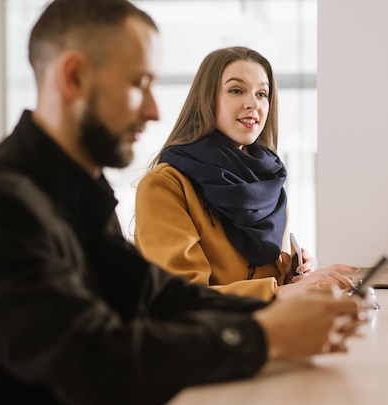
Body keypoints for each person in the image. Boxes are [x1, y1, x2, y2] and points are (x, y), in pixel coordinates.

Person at [0, 2, 367, 405]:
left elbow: (157, 296)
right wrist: (266, 336)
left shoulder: (79, 191)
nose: (153, 110)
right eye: (139, 84)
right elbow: (98, 363)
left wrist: (282, 312)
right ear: (73, 78)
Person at [134, 46, 358, 301]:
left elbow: (261, 286)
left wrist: (294, 278)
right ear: (207, 99)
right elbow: (181, 299)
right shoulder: (164, 186)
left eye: (262, 93)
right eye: (236, 90)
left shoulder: (269, 188)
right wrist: (281, 292)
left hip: (264, 333)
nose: (253, 103)